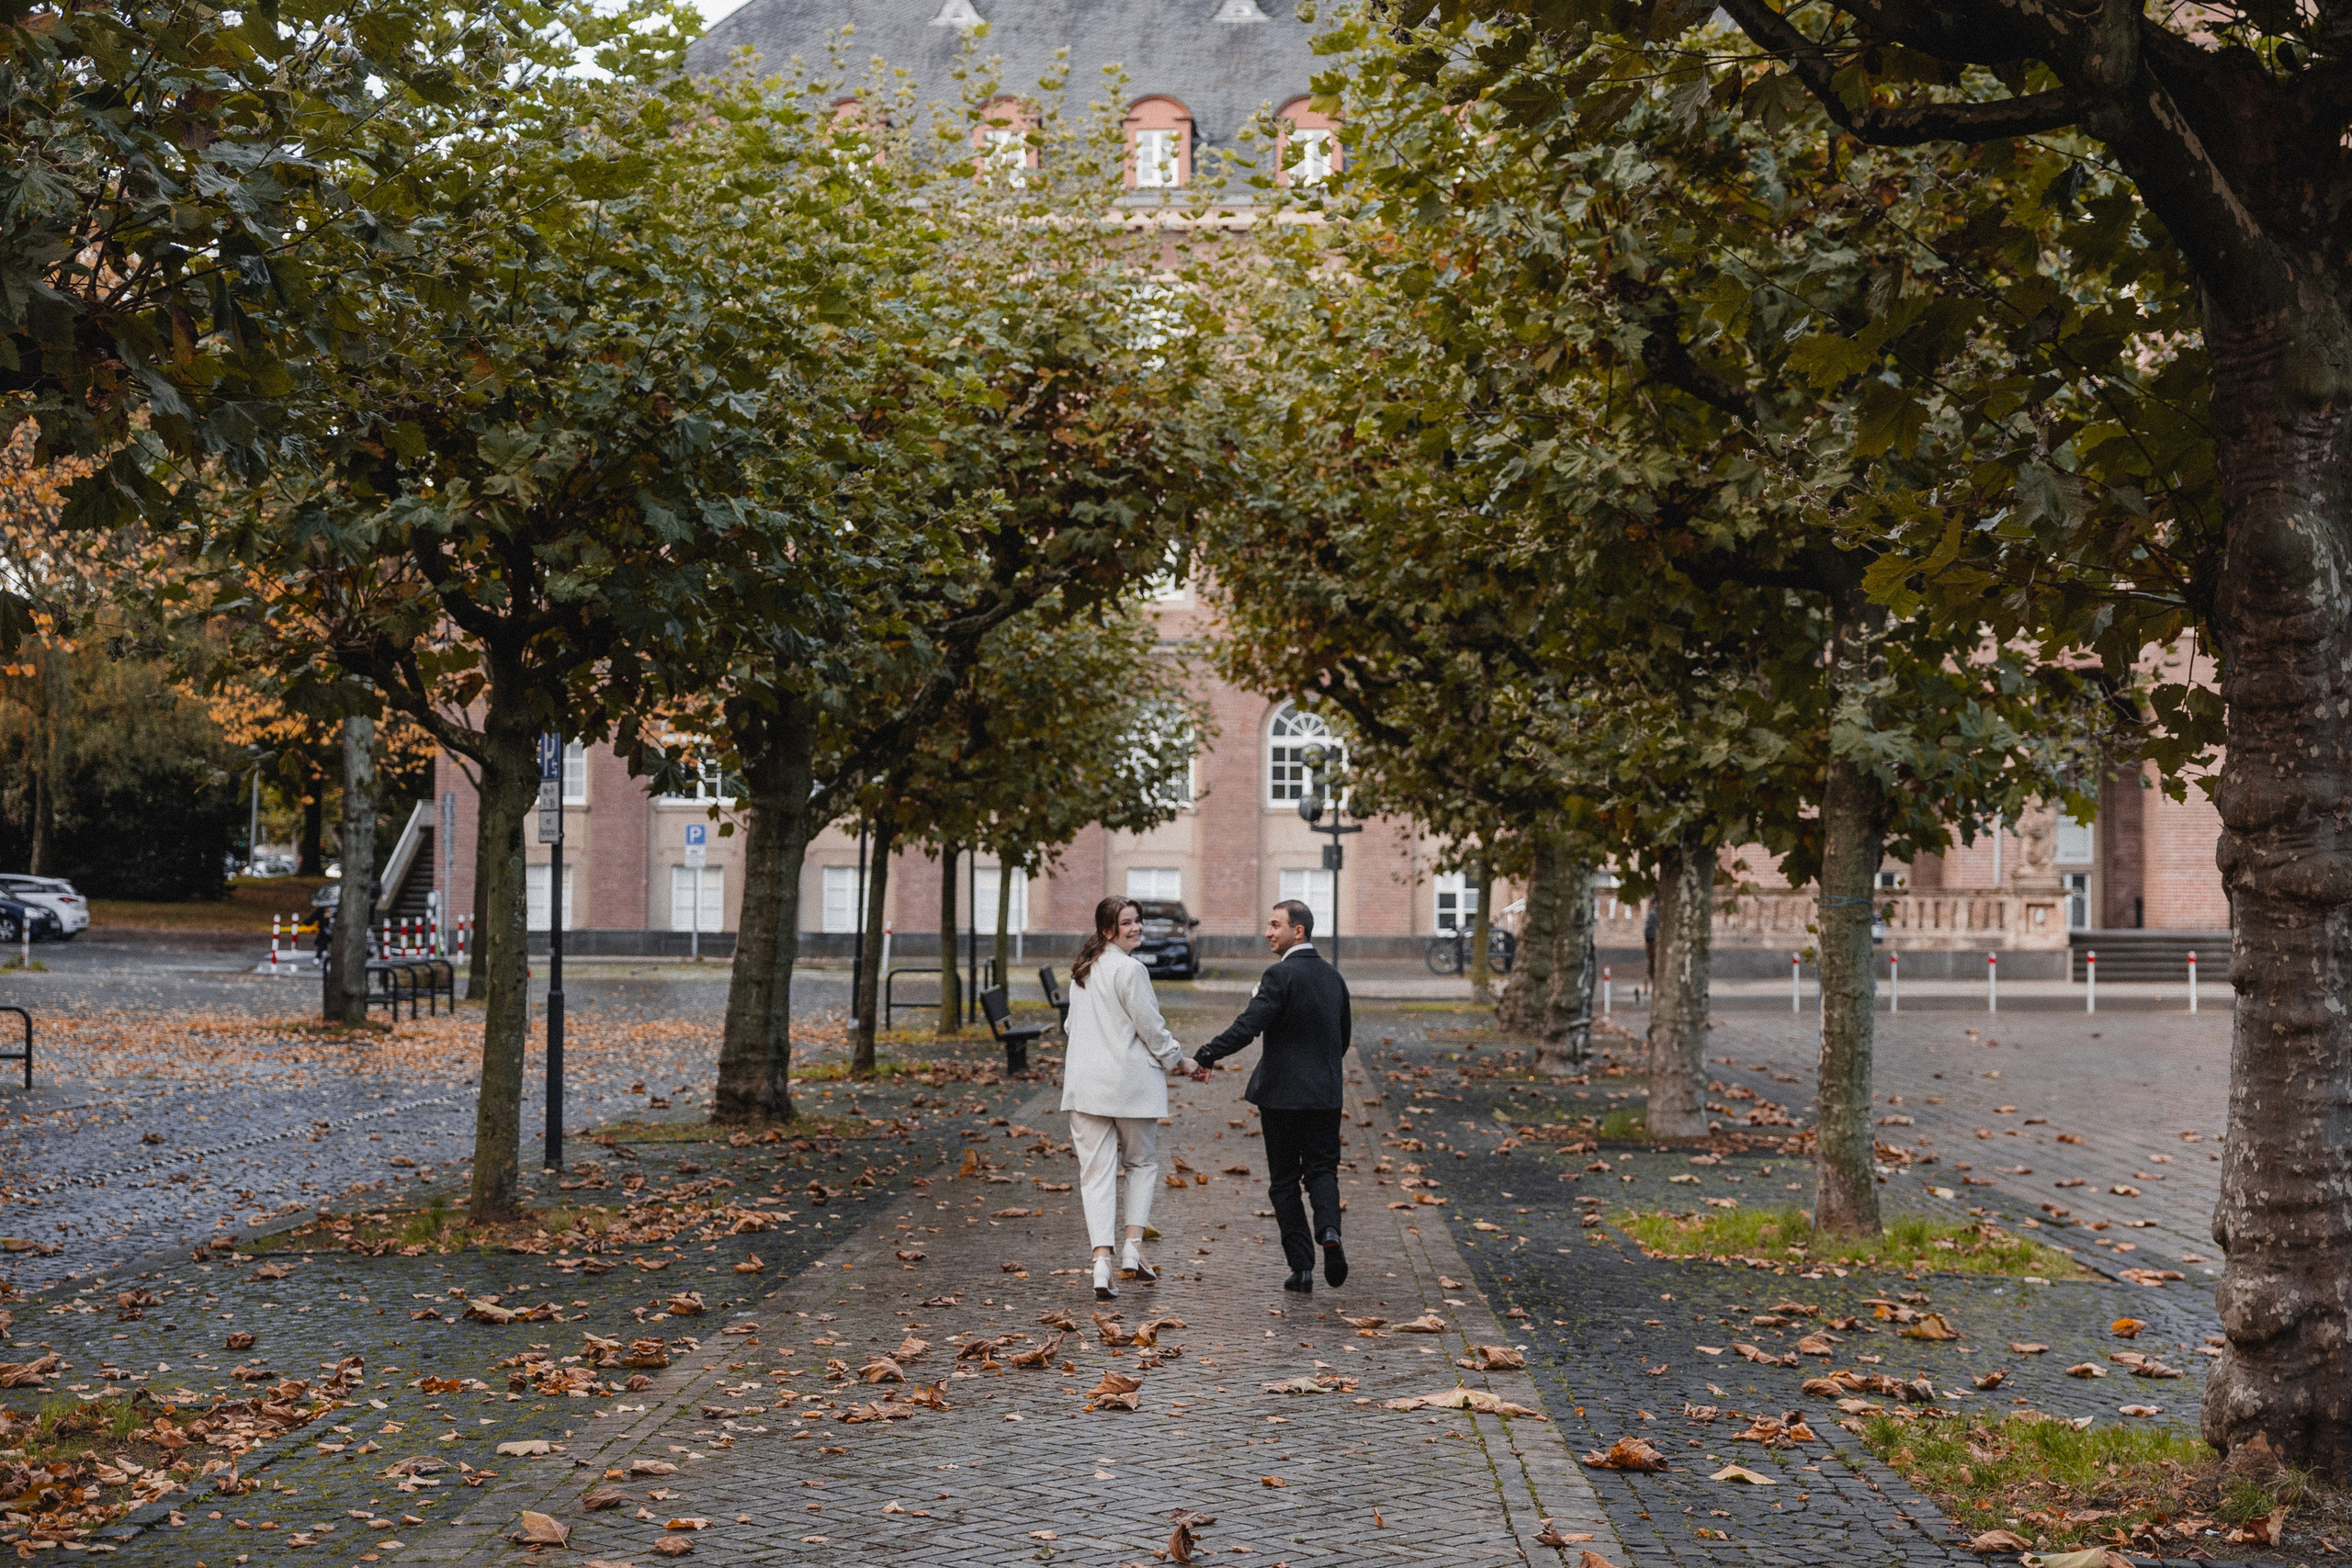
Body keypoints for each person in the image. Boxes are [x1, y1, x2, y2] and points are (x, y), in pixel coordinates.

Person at [1190, 898, 1352, 1293]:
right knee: (1322, 1171)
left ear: (1298, 931)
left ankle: (1302, 1269)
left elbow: (1249, 1026)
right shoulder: (1334, 978)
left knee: (1283, 1182)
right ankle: (1329, 1230)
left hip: (1281, 1097)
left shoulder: (1279, 977)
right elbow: (1342, 1038)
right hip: (1326, 1096)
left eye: (1275, 925)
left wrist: (1207, 1053)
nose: (1268, 932)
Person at [1060, 895, 1189, 1301]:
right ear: (1107, 930)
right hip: (1130, 1085)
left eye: (1138, 921)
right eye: (1127, 923)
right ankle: (1131, 1250)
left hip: (1085, 1088)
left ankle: (1102, 1263)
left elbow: (1070, 1027)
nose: (1136, 929)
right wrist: (1178, 1062)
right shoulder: (1132, 971)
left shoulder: (1082, 971)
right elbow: (1151, 1028)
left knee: (1095, 1175)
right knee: (1141, 1163)